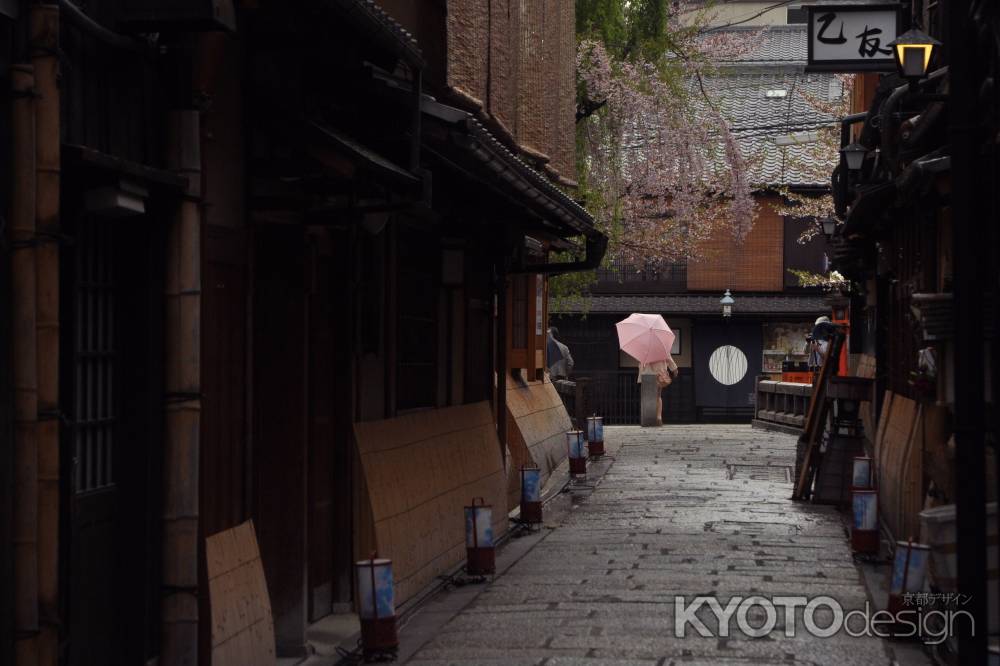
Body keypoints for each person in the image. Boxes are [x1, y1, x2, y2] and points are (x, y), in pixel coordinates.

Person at [637, 356, 678, 426]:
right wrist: (674, 369)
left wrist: (640, 373)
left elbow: (640, 363)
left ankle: (647, 418)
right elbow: (668, 357)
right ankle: (659, 417)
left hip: (647, 373)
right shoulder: (661, 347)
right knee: (658, 396)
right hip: (660, 373)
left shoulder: (644, 349)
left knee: (647, 397)